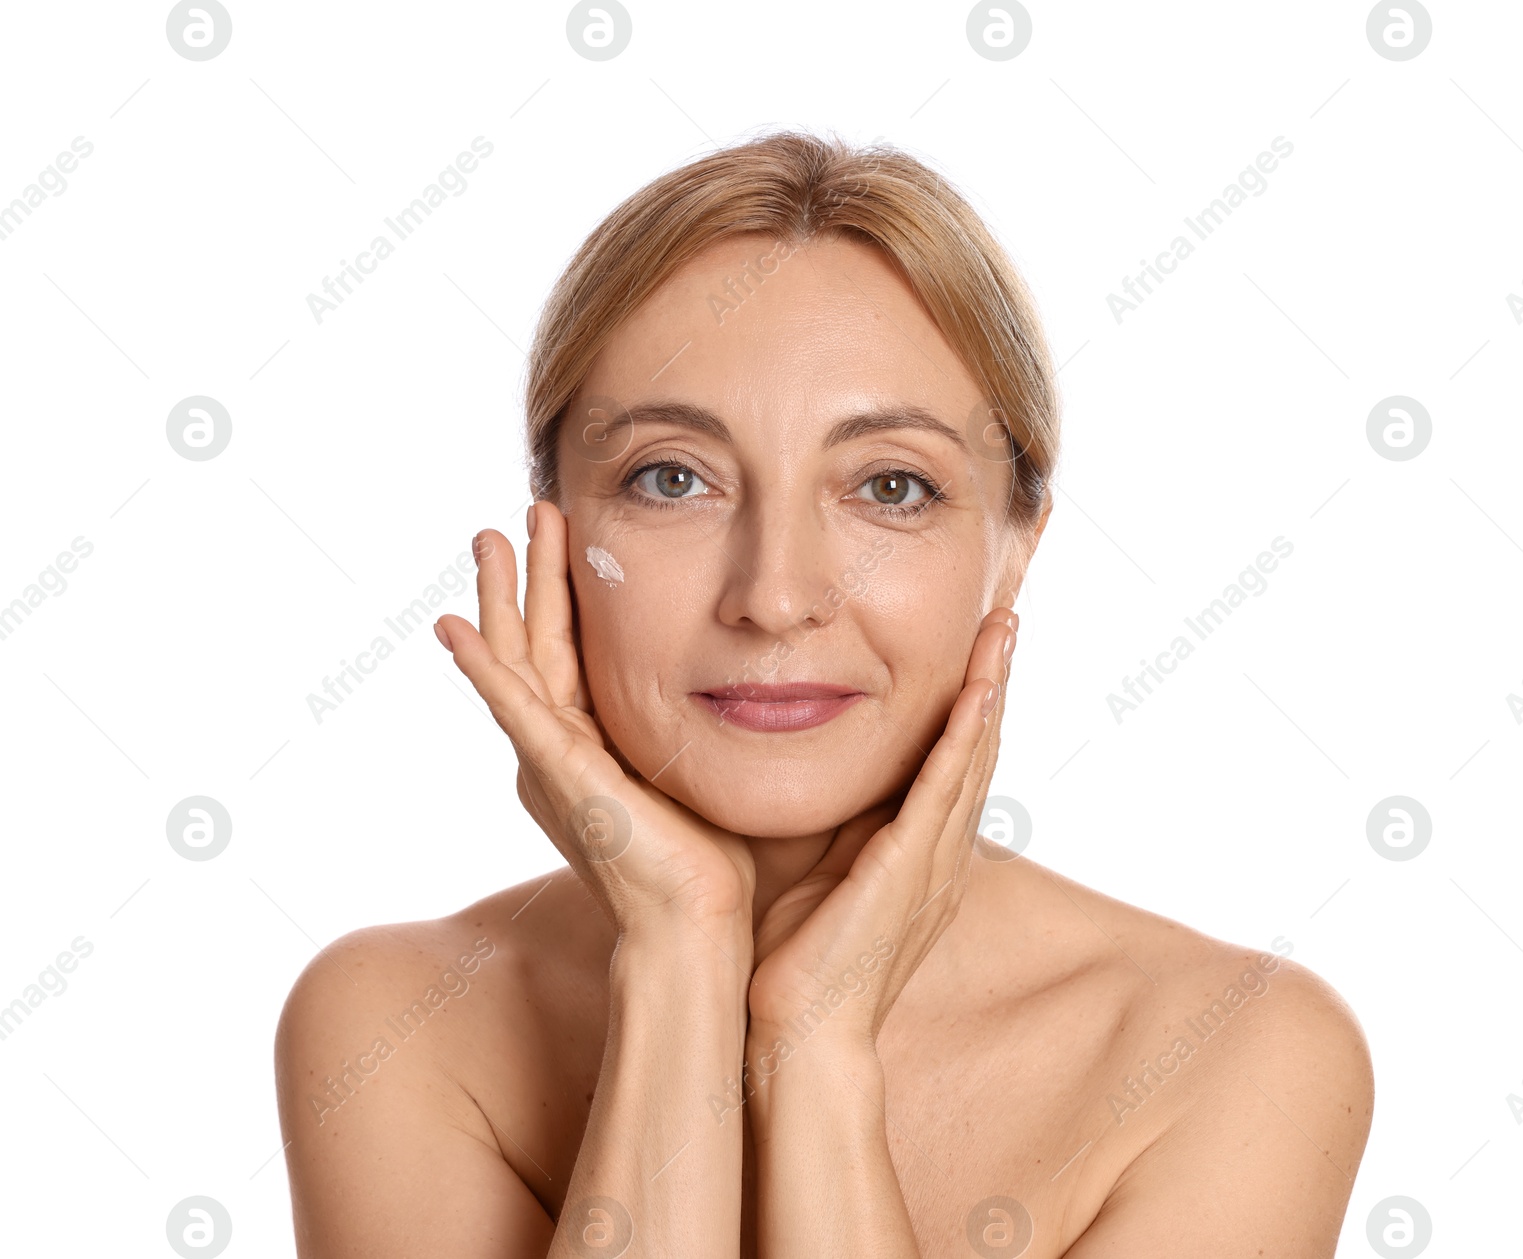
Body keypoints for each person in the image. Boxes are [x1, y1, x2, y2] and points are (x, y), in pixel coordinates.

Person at [274, 129, 1373, 1257]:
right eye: (671, 478)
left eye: (890, 486)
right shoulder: (394, 1025)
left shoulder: (1233, 1052)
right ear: (552, 534)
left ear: (1016, 544)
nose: (777, 594)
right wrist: (676, 954)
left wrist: (816, 1044)